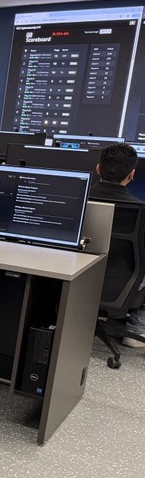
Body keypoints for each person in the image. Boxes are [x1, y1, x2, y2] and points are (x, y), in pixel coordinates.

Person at [88, 144, 145, 345]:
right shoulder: (141, 209)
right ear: (132, 175)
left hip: (78, 279)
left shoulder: (78, 200)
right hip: (122, 286)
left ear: (97, 169)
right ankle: (138, 327)